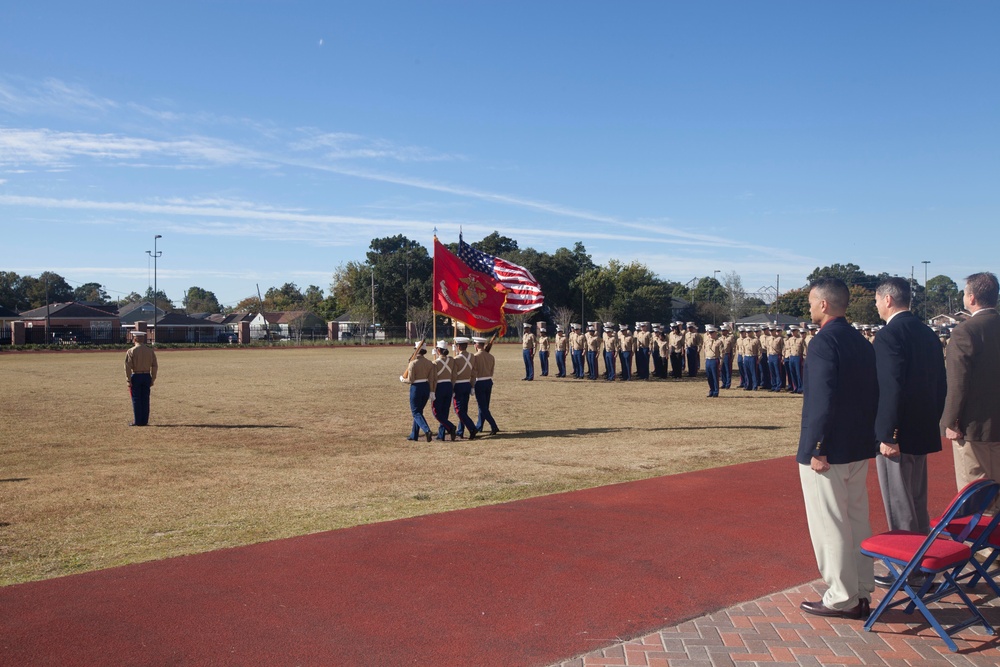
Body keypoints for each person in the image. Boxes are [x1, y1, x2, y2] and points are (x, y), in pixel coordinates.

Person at [797, 277, 878, 620]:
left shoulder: (823, 343)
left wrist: (817, 446)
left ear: (824, 304)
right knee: (856, 520)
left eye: (812, 302)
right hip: (857, 447)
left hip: (829, 451)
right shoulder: (861, 341)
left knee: (830, 524)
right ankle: (860, 590)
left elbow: (821, 400)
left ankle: (841, 597)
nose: (810, 307)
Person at [871, 277, 946, 587]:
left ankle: (906, 567)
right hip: (921, 428)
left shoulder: (890, 335)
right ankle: (922, 562)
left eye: (876, 299)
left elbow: (890, 388)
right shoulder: (927, 333)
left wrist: (889, 434)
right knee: (916, 501)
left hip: (899, 434)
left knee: (900, 503)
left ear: (888, 300)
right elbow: (940, 384)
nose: (875, 305)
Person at [941, 272, 1000, 500]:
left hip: (975, 427)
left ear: (972, 298)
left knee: (977, 497)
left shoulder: (965, 331)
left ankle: (979, 537)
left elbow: (958, 382)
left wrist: (950, 420)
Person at [400, 342, 434, 442]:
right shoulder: (429, 363)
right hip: (426, 387)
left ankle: (427, 430)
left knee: (415, 412)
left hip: (416, 388)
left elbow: (410, 380)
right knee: (419, 411)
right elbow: (431, 378)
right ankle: (414, 434)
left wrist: (402, 379)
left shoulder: (413, 363)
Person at [124, 329, 158, 426]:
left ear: (134, 339)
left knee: (136, 399)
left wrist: (128, 380)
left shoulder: (131, 351)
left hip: (136, 375)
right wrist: (153, 378)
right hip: (147, 375)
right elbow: (154, 365)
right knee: (145, 399)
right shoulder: (150, 351)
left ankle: (138, 421)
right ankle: (144, 420)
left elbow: (127, 366)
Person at [451, 337, 479, 440]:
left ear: (458, 346)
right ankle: (460, 431)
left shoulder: (456, 359)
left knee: (459, 410)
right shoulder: (472, 356)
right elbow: (474, 372)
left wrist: (452, 387)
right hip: (467, 384)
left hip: (458, 385)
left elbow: (454, 375)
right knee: (464, 409)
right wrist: (472, 385)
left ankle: (472, 428)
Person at [472, 336, 499, 435]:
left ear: (477, 345)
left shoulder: (475, 357)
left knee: (483, 407)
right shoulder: (491, 357)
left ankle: (494, 425)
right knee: (484, 406)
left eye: (474, 343)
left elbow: (474, 372)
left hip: (479, 382)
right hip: (488, 381)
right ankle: (479, 426)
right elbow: (491, 371)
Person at [431, 340, 457, 441]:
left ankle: (450, 427)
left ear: (438, 350)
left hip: (439, 387)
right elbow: (454, 374)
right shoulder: (451, 360)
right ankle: (441, 434)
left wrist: (432, 390)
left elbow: (433, 378)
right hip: (449, 386)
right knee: (445, 411)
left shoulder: (435, 363)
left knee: (436, 412)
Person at [703, 325, 722, 398]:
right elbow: (705, 351)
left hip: (715, 360)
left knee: (715, 376)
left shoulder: (719, 342)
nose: (710, 334)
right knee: (709, 377)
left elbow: (722, 353)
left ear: (715, 333)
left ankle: (716, 391)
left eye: (712, 333)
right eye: (709, 333)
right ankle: (711, 390)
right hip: (708, 359)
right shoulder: (707, 341)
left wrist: (720, 362)